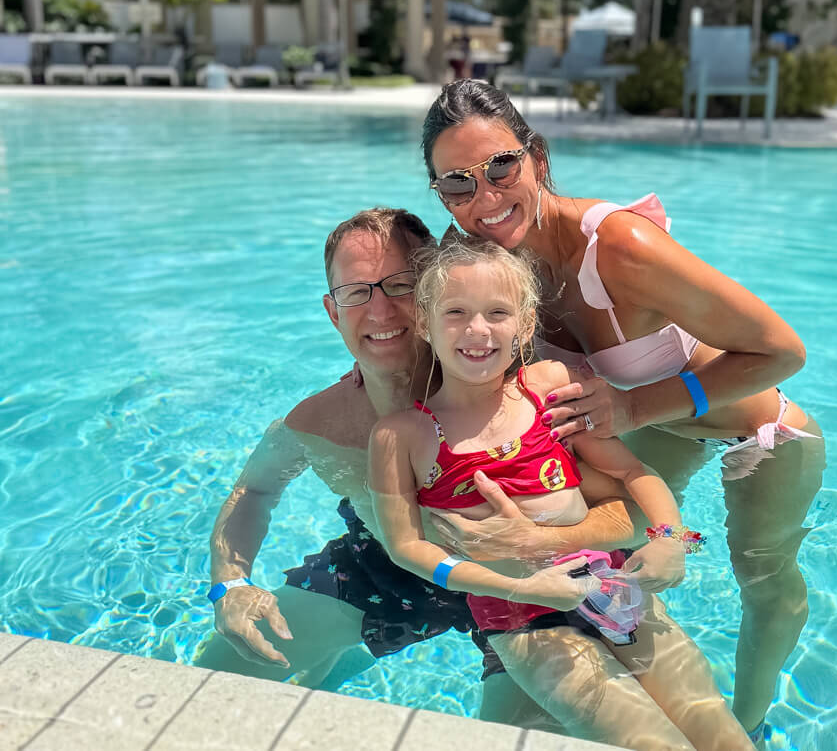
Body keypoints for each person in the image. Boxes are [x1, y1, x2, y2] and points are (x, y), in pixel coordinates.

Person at [420, 80, 827, 747]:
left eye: (501, 167)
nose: (485, 198)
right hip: (650, 434)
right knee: (621, 569)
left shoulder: (619, 248)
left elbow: (782, 350)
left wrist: (635, 404)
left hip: (756, 432)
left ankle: (750, 719)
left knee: (762, 574)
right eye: (458, 184)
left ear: (537, 158)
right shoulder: (487, 268)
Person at [196, 207, 646, 730]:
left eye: (401, 284)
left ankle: (343, 662)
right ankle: (340, 661)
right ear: (332, 310)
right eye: (357, 292)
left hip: (538, 587)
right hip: (392, 573)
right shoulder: (320, 422)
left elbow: (635, 508)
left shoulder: (529, 395)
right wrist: (229, 585)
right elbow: (254, 489)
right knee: (212, 683)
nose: (382, 311)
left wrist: (537, 541)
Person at [369, 235, 753, 751]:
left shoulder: (548, 388)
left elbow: (635, 473)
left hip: (614, 585)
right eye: (455, 311)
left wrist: (671, 539)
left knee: (723, 739)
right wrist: (525, 589)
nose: (478, 329)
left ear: (525, 324)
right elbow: (406, 548)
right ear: (424, 323)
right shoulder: (402, 436)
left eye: (498, 312)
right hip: (522, 617)